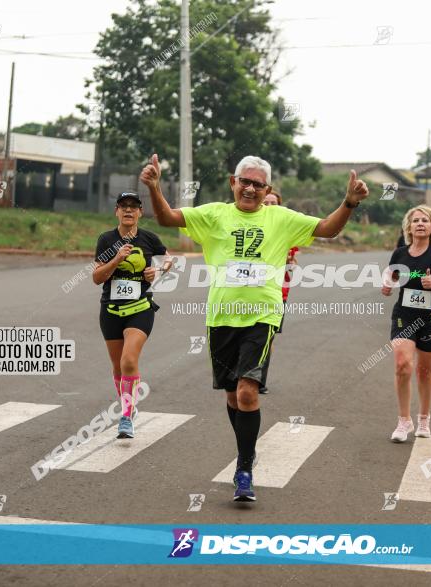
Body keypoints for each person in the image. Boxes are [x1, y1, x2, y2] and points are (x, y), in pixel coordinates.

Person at [140, 153, 368, 503]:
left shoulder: (281, 218)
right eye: (244, 181)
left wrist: (349, 203)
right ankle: (247, 448)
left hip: (262, 315)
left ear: (268, 190)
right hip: (221, 317)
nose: (249, 188)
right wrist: (155, 187)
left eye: (257, 184)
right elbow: (168, 217)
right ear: (233, 182)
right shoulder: (214, 214)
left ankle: (244, 468)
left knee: (247, 391)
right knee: (233, 396)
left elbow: (327, 229)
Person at [92, 192, 173, 439]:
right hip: (111, 310)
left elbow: (169, 259)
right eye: (124, 206)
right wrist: (116, 259)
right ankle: (130, 404)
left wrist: (158, 270)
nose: (128, 210)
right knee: (118, 367)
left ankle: (125, 417)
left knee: (129, 361)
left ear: (140, 212)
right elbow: (97, 277)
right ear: (116, 211)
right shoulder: (106, 239)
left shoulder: (149, 238)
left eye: (133, 207)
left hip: (140, 308)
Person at [382, 206, 431, 442]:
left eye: (425, 220)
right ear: (409, 227)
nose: (420, 224)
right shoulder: (400, 254)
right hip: (404, 314)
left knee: (424, 372)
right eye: (415, 220)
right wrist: (387, 283)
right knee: (403, 364)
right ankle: (404, 421)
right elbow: (391, 274)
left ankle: (424, 417)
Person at [258, 190, 298, 395]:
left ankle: (259, 378)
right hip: (249, 292)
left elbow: (292, 265)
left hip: (277, 293)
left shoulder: (287, 232)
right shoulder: (252, 228)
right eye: (266, 202)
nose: (270, 206)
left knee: (268, 337)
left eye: (274, 203)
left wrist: (289, 264)